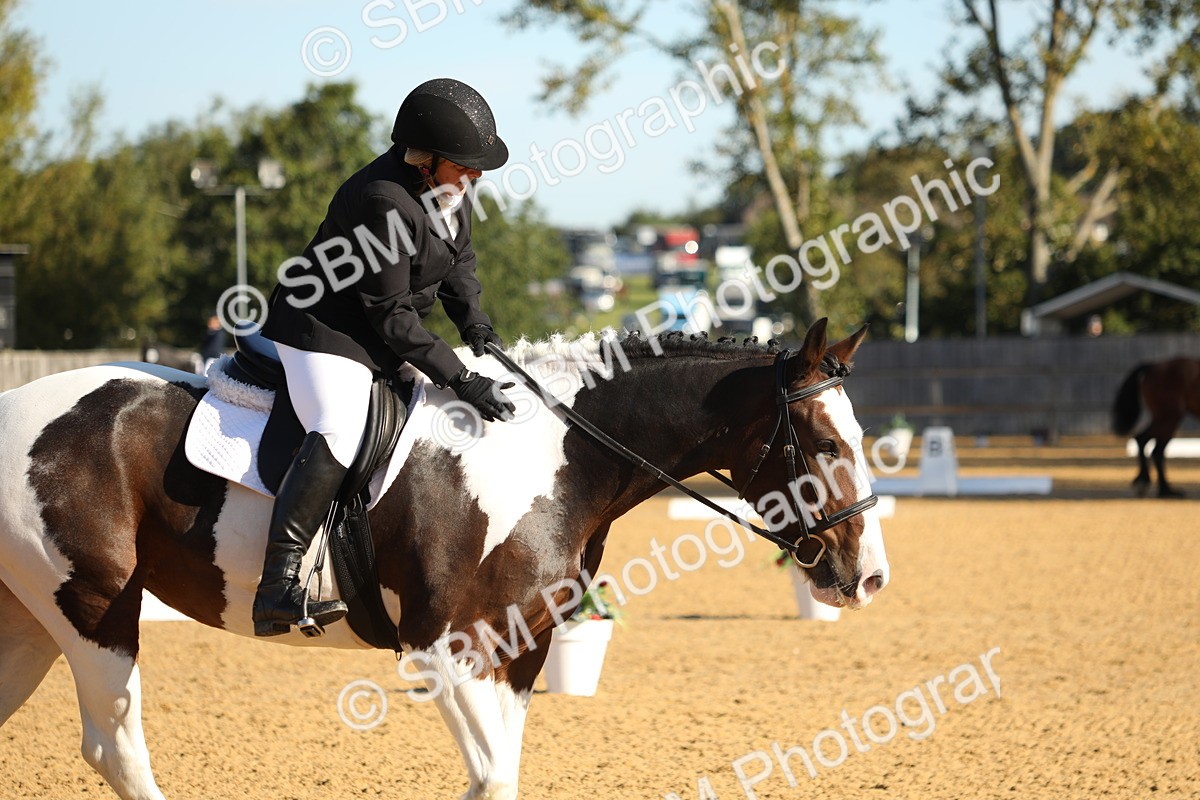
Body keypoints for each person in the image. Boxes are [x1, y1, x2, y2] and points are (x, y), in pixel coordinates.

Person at [253, 78, 516, 637]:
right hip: (323, 327)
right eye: (466, 166)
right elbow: (392, 314)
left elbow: (459, 265)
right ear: (428, 160)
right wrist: (460, 377)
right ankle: (278, 584)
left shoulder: (449, 191)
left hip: (376, 327)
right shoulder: (385, 202)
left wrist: (479, 331)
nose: (476, 177)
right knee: (340, 427)